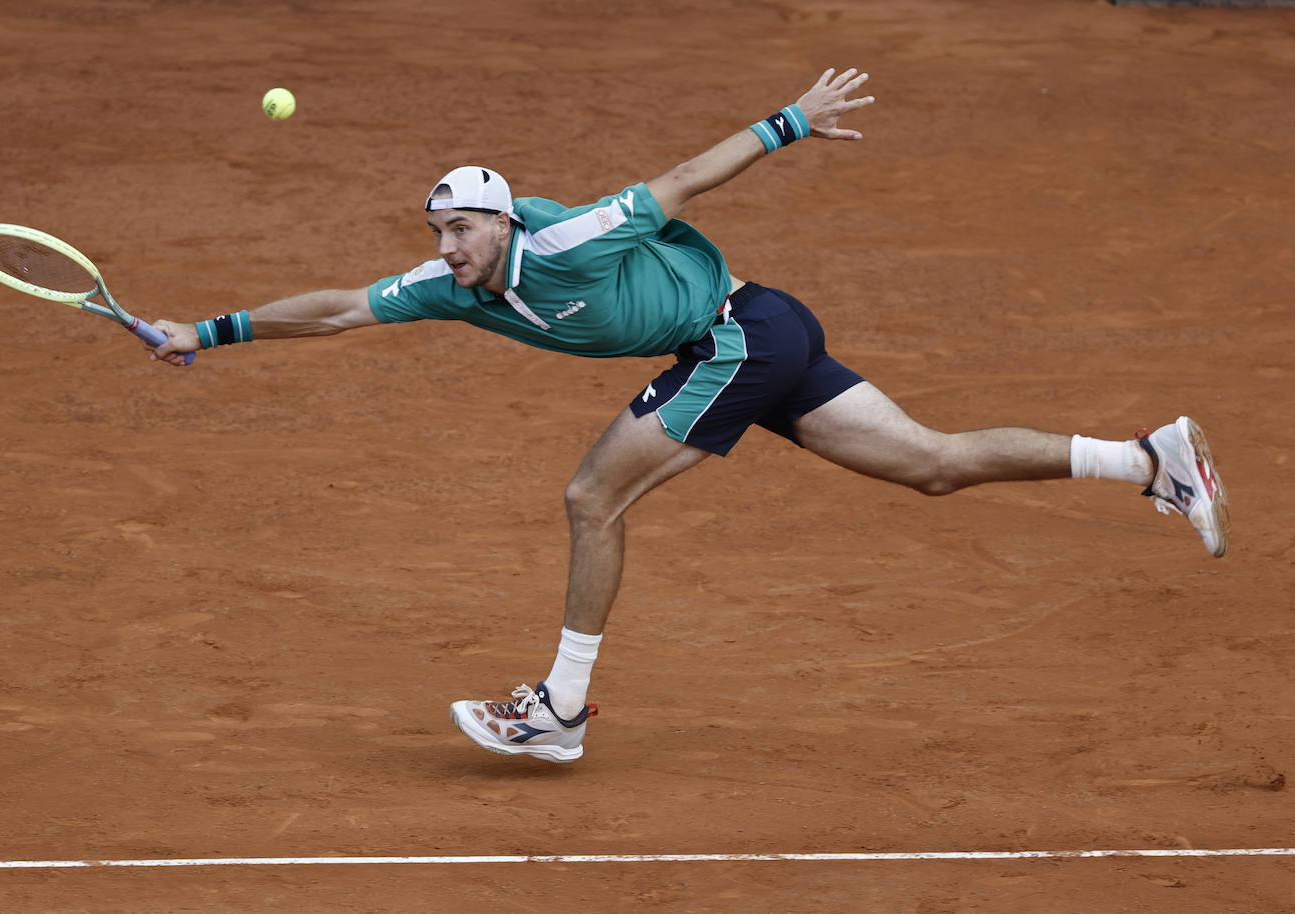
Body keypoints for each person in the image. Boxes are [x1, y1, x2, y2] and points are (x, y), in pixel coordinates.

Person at [148, 68, 1230, 765]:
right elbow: (337, 307)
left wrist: (789, 123)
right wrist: (208, 329)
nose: (444, 249)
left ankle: (560, 710)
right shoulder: (447, 286)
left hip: (739, 338)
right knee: (931, 464)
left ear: (501, 217)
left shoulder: (568, 237)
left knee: (590, 496)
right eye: (436, 233)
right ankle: (1145, 458)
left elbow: (678, 180)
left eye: (461, 229)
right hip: (766, 328)